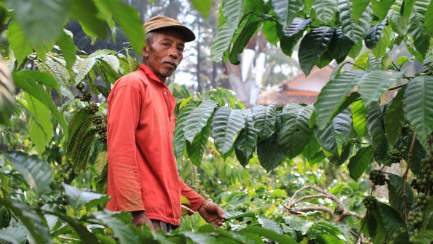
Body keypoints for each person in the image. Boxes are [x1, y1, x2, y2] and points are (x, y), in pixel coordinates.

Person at [106, 16, 225, 231]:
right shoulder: (132, 85)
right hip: (142, 217)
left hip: (161, 216)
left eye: (180, 49)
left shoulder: (164, 96)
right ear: (145, 49)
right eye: (166, 44)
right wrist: (135, 211)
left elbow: (162, 169)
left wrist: (199, 204)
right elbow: (120, 152)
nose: (174, 53)